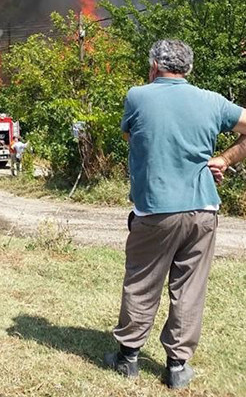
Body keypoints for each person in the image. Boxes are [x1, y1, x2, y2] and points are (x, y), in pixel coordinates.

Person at [103, 39, 246, 389]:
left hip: (156, 211)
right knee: (190, 286)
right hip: (203, 209)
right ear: (189, 69)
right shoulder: (212, 100)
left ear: (154, 66)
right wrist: (224, 159)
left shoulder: (139, 95)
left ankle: (128, 358)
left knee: (142, 280)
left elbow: (129, 137)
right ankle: (178, 367)